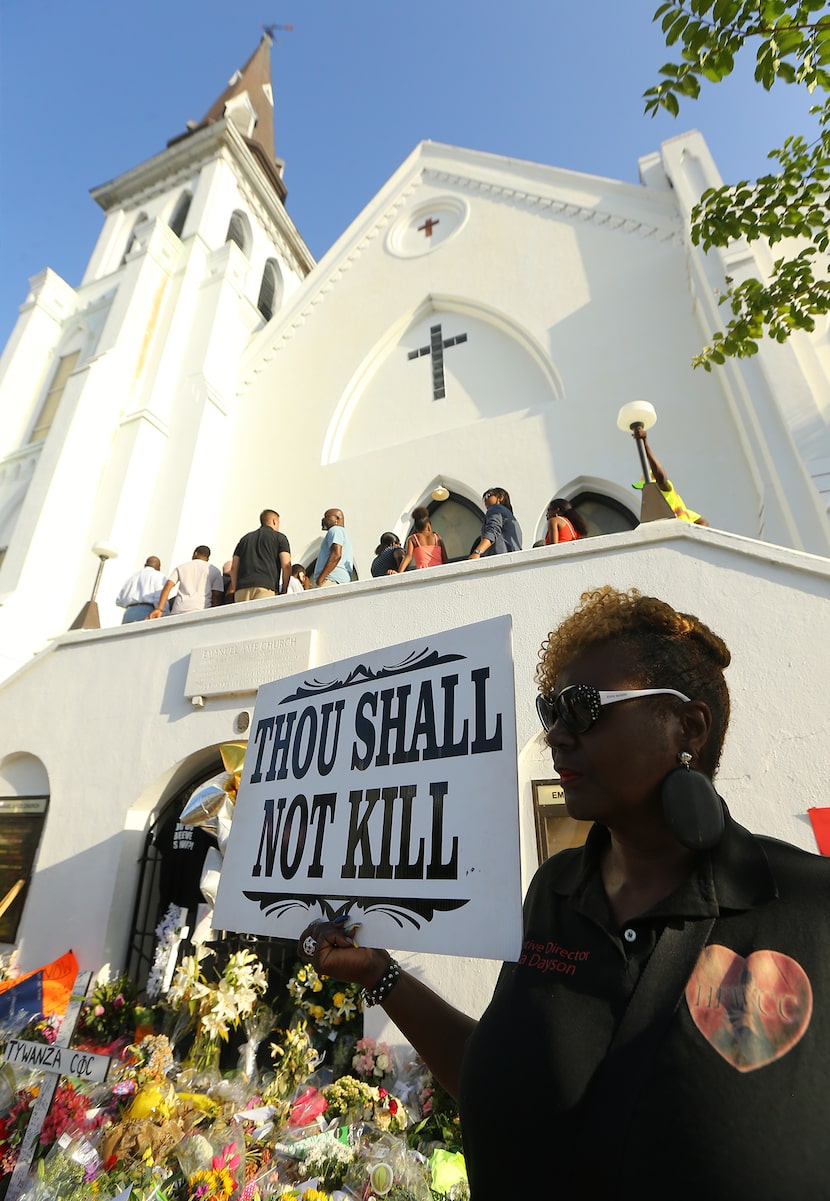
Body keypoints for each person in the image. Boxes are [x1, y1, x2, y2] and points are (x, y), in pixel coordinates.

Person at [298, 586, 830, 1200]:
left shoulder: (806, 906)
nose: (555, 734)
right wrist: (377, 974)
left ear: (688, 725)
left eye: (582, 708)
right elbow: (495, 1079)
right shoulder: (554, 890)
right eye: (549, 710)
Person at [631, 427, 709, 525]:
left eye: (646, 488)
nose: (644, 491)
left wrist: (645, 444)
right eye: (643, 489)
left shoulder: (665, 493)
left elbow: (661, 478)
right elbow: (703, 521)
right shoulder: (676, 509)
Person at [229, 509, 291, 602]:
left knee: (243, 616)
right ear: (274, 521)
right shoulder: (280, 538)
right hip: (266, 587)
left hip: (242, 588)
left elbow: (233, 567)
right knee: (263, 616)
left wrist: (236, 588)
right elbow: (286, 565)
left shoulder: (244, 539)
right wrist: (284, 588)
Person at [149, 546, 223, 617]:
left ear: (195, 553)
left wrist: (159, 609)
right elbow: (216, 595)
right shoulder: (215, 571)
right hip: (202, 610)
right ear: (208, 557)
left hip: (179, 609)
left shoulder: (181, 567)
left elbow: (168, 585)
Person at [468, 487, 522, 559]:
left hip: (499, 559)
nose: (485, 500)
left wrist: (477, 552)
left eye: (488, 495)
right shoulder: (512, 519)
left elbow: (492, 531)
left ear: (500, 497)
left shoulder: (496, 508)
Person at [115, 556, 167, 623]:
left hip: (128, 612)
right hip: (147, 611)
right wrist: (164, 614)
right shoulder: (159, 576)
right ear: (159, 567)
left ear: (145, 565)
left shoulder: (132, 578)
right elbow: (160, 597)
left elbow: (119, 601)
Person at [314, 508, 354, 587]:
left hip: (331, 579)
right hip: (339, 580)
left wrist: (320, 579)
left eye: (327, 517)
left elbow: (336, 554)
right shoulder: (342, 532)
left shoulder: (335, 530)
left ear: (337, 518)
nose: (323, 520)